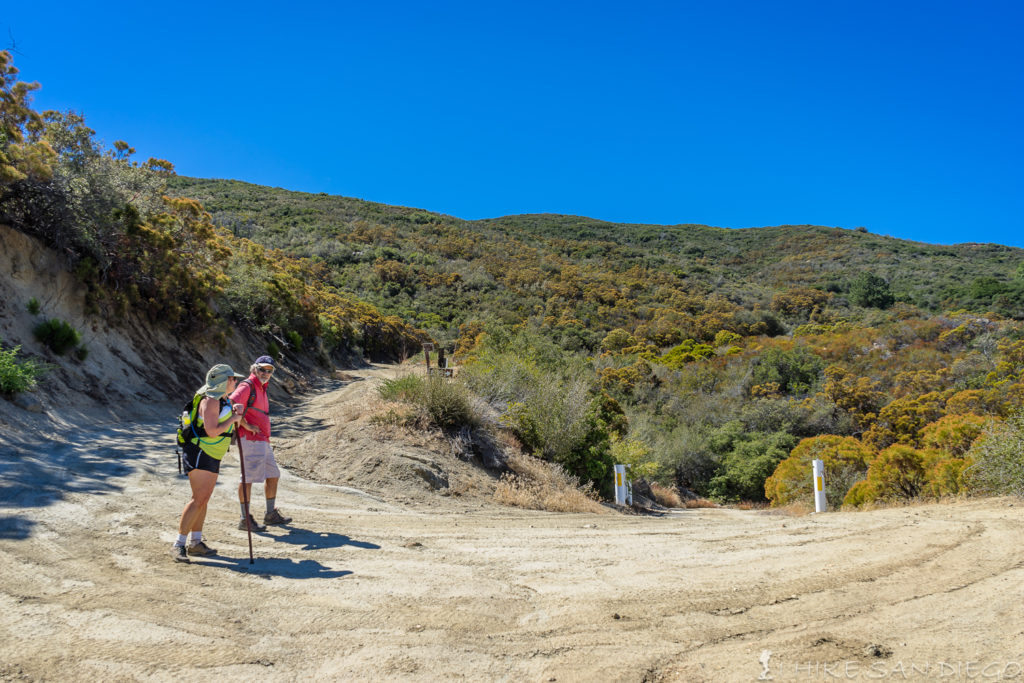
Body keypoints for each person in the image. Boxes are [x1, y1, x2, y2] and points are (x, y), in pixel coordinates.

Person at [173, 364, 246, 563]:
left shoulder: (222, 400)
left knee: (202, 499)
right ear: (223, 381)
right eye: (232, 379)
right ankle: (179, 544)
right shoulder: (211, 401)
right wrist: (233, 418)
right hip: (201, 451)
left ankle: (195, 543)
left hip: (210, 453)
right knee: (198, 499)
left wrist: (235, 413)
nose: (235, 382)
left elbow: (226, 422)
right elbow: (213, 430)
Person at [229, 355, 292, 531]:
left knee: (273, 475)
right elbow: (231, 403)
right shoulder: (247, 385)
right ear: (254, 369)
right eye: (262, 369)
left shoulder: (262, 387)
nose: (265, 373)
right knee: (247, 479)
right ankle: (244, 519)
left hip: (262, 440)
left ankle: (270, 514)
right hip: (250, 439)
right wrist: (246, 425)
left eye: (269, 370)